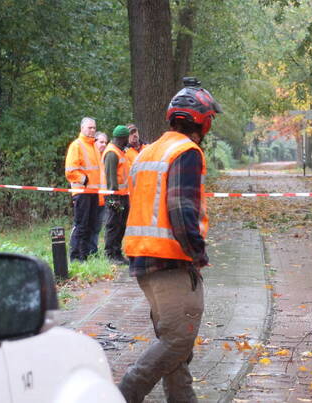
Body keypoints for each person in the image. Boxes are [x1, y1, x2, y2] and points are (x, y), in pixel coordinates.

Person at [117, 78, 221, 403]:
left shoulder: (149, 152)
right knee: (178, 341)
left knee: (177, 345)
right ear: (199, 120)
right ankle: (122, 394)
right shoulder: (185, 152)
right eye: (209, 119)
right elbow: (180, 209)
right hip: (172, 261)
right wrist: (197, 254)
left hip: (143, 261)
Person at [65, 117, 104, 261]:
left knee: (90, 226)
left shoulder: (93, 146)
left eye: (94, 128)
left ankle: (84, 256)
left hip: (94, 193)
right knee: (81, 226)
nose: (92, 130)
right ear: (82, 128)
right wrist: (85, 180)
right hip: (82, 192)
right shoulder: (77, 145)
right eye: (89, 127)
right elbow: (70, 171)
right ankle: (75, 257)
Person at [102, 125, 132, 264]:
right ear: (122, 138)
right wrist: (114, 198)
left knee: (121, 225)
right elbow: (111, 178)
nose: (128, 140)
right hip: (115, 197)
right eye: (127, 138)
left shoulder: (120, 151)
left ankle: (117, 253)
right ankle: (110, 255)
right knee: (113, 225)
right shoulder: (112, 153)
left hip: (123, 195)